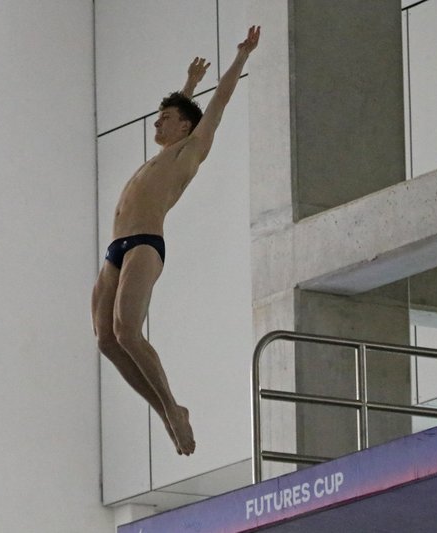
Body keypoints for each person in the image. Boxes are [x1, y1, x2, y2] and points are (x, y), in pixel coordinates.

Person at [92, 26, 261, 456]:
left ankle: (173, 409)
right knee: (106, 340)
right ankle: (165, 410)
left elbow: (216, 106)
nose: (156, 122)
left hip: (145, 244)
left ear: (185, 126)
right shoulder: (162, 153)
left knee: (126, 330)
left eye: (164, 118)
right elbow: (180, 110)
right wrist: (187, 84)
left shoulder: (192, 150)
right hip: (116, 248)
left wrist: (240, 57)